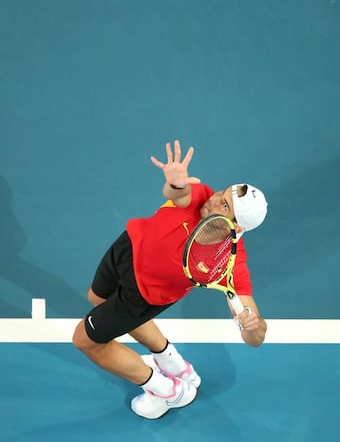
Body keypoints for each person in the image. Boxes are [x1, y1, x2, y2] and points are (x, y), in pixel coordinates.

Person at [72, 140, 268, 420]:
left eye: (223, 204)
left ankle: (168, 390)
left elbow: (255, 337)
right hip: (127, 248)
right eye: (222, 193)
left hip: (143, 295)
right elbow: (179, 192)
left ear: (236, 226)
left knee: (85, 341)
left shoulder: (232, 264)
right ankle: (173, 363)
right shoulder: (203, 197)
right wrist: (175, 183)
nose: (213, 198)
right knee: (97, 298)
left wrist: (252, 325)